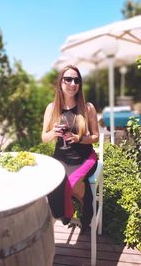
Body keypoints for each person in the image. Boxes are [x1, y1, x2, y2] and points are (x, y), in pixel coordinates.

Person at [42, 65, 99, 232]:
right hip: (60, 157)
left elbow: (95, 137)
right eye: (68, 79)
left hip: (84, 158)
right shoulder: (51, 109)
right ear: (60, 82)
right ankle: (75, 208)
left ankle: (81, 212)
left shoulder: (87, 108)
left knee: (69, 183)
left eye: (77, 80)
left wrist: (78, 138)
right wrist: (54, 132)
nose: (73, 83)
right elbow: (44, 138)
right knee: (51, 181)